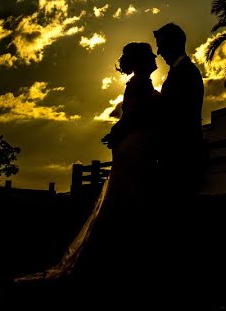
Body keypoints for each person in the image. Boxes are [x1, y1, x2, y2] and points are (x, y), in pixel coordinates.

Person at [16, 42, 161, 289]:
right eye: (150, 56)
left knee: (126, 199)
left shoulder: (141, 86)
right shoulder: (138, 85)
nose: (155, 60)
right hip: (134, 149)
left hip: (137, 147)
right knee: (126, 200)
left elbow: (131, 118)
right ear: (141, 62)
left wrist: (117, 133)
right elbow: (132, 117)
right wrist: (117, 133)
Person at [153, 23, 205, 195]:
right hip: (179, 154)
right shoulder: (181, 71)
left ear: (173, 44)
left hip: (181, 155)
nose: (159, 52)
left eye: (161, 45)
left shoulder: (186, 73)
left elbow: (176, 113)